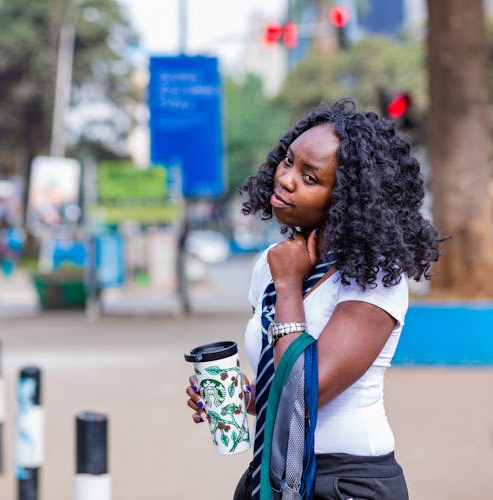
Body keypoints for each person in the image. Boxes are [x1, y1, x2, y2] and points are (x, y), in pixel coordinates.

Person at [185, 99, 441, 499]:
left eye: (310, 178)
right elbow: (280, 392)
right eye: (288, 161)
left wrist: (288, 286)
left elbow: (305, 393)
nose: (285, 179)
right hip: (270, 475)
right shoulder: (268, 266)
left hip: (348, 482)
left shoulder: (374, 276)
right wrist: (242, 397)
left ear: (345, 200)